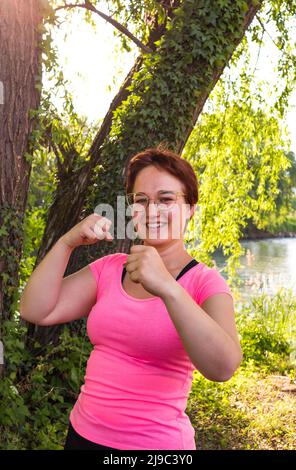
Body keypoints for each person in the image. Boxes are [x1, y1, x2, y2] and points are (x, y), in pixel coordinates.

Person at [20, 147, 243, 450]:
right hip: (82, 436)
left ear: (190, 207)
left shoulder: (205, 283)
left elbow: (223, 368)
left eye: (166, 199)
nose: (151, 211)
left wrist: (168, 287)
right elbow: (36, 310)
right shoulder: (110, 268)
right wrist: (66, 243)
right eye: (141, 201)